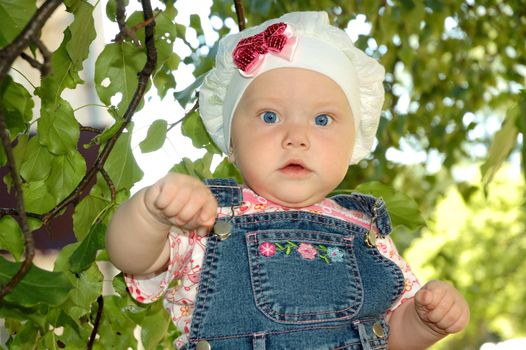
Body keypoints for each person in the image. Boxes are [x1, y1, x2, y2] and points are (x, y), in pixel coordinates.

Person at [107, 11, 469, 350]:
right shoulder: (207, 216)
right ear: (231, 144)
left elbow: (390, 334)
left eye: (322, 120)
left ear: (353, 145)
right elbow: (135, 258)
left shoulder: (367, 231)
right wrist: (149, 214)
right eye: (270, 116)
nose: (296, 137)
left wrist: (424, 323)